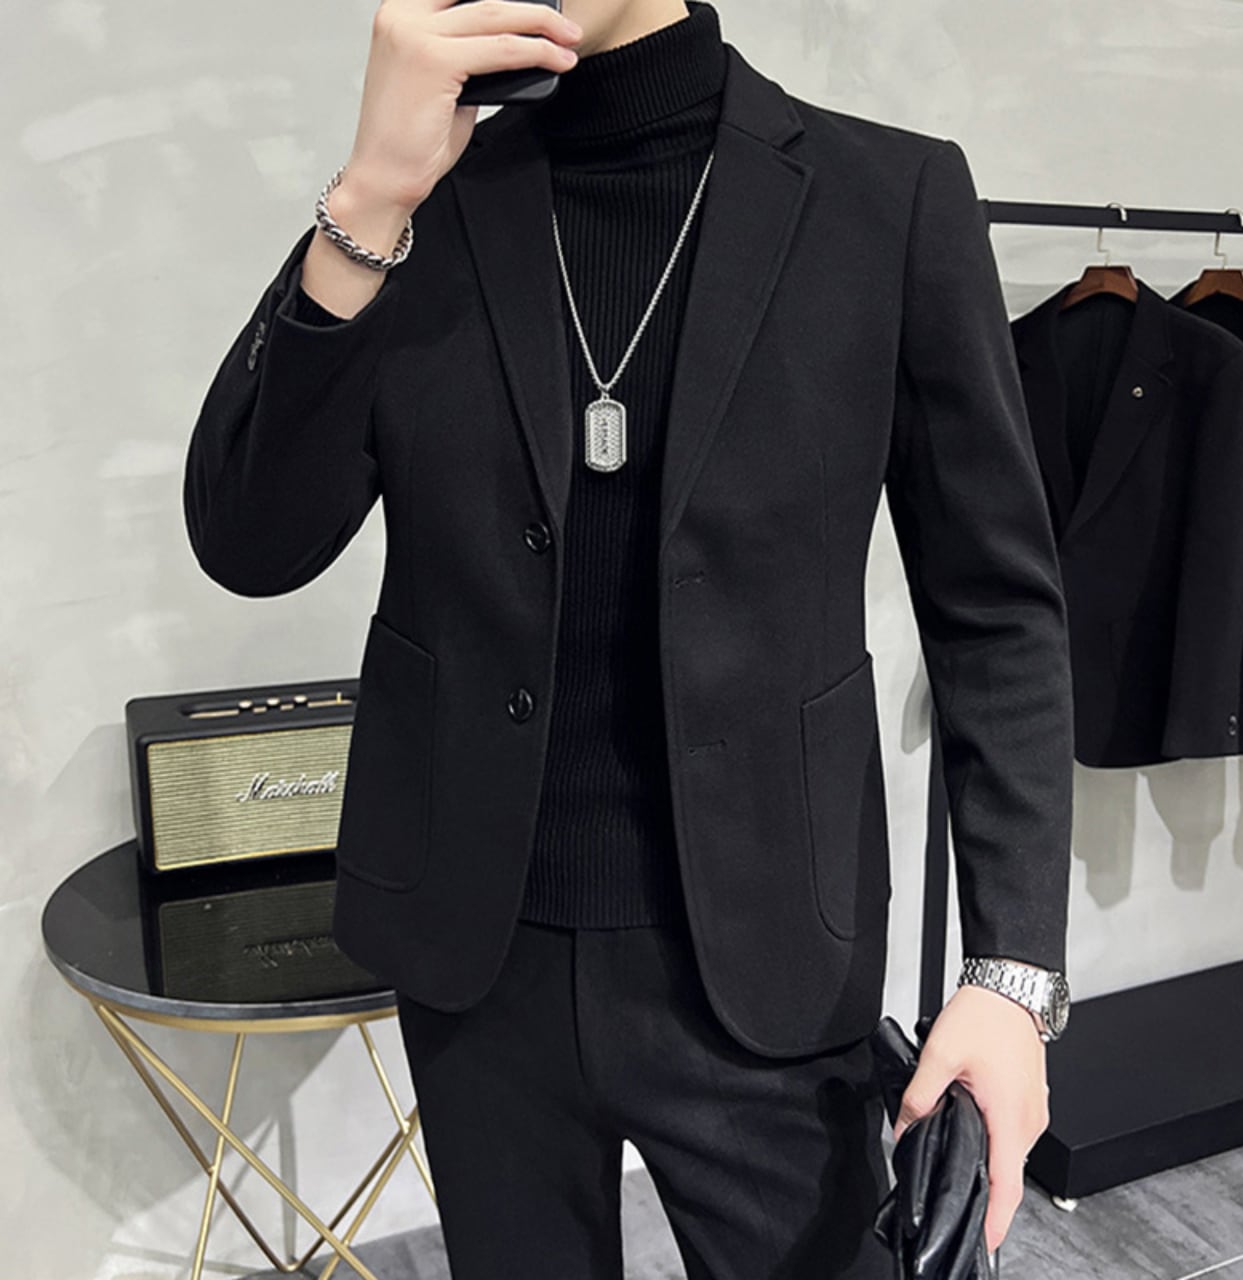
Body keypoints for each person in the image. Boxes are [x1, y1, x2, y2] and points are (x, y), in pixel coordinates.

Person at [183, 0, 1074, 1275]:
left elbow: (995, 607)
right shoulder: (420, 208)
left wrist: (1013, 970)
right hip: (474, 963)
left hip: (767, 960)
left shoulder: (886, 199)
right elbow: (250, 539)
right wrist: (370, 194)